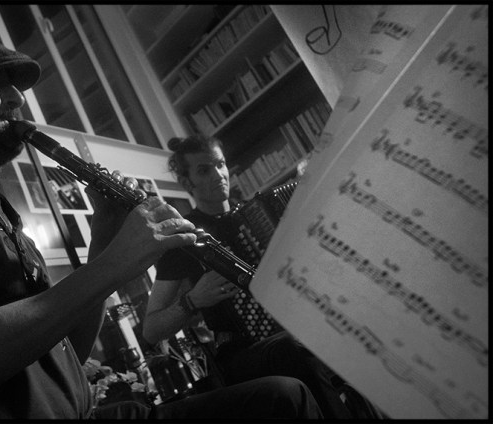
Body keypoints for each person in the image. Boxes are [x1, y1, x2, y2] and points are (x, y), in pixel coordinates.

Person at [0, 35, 323, 420]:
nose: (17, 99)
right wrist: (118, 263)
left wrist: (103, 238)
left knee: (284, 396)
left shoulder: (0, 212)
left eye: (16, 86)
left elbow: (71, 354)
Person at [144, 134, 385, 419]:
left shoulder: (261, 210)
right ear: (187, 183)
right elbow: (151, 330)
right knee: (293, 349)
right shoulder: (185, 240)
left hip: (295, 327)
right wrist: (193, 300)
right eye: (204, 170)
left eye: (220, 164)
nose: (218, 175)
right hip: (241, 350)